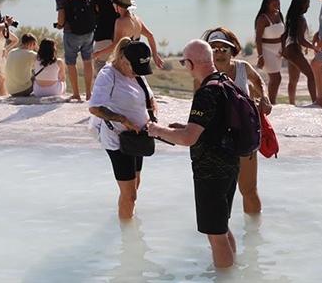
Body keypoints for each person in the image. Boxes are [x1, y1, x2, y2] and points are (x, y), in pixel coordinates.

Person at [146, 40, 240, 269]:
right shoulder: (226, 82)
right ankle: (234, 269)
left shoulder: (206, 92)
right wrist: (184, 127)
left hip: (210, 171)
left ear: (189, 63)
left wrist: (157, 130)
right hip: (230, 164)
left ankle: (225, 276)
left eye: (182, 62)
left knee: (215, 234)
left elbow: (189, 139)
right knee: (222, 226)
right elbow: (211, 127)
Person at [200, 27, 272, 215]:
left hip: (244, 137)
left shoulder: (242, 67)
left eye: (224, 49)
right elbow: (199, 105)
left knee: (248, 190)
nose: (219, 53)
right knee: (220, 193)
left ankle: (253, 236)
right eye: (214, 49)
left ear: (232, 50)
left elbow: (258, 81)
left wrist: (264, 97)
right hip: (218, 141)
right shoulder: (204, 74)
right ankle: (222, 235)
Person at [89, 38, 157, 220]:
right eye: (135, 69)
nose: (138, 73)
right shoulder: (108, 74)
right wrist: (123, 120)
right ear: (124, 60)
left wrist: (153, 119)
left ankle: (127, 216)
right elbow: (95, 107)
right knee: (130, 194)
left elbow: (149, 99)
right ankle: (127, 237)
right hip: (118, 139)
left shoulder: (137, 72)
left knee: (135, 185)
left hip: (138, 138)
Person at [91, 0, 164, 69]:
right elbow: (150, 35)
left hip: (124, 63)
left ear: (118, 5)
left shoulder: (120, 22)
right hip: (134, 62)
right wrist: (155, 54)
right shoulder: (136, 19)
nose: (112, 5)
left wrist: (99, 53)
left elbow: (116, 45)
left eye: (113, 2)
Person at [54, 0, 94, 101]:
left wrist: (60, 26)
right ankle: (89, 94)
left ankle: (76, 93)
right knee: (88, 61)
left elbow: (61, 15)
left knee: (71, 62)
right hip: (89, 30)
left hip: (71, 32)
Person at [90, 0, 127, 73]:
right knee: (121, 67)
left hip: (103, 32)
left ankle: (104, 90)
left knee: (100, 66)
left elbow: (93, 11)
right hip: (121, 33)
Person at [282, 0, 317, 106]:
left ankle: (291, 104)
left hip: (290, 50)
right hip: (295, 50)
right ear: (302, 4)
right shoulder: (300, 18)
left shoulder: (292, 17)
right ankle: (315, 102)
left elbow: (285, 36)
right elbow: (301, 40)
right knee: (311, 75)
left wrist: (284, 50)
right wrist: (313, 46)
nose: (309, 7)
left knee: (293, 80)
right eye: (307, 4)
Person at [254, 0, 285, 104]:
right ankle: (271, 102)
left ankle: (269, 101)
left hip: (278, 50)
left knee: (276, 78)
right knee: (276, 78)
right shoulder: (263, 18)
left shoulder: (279, 15)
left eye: (278, 4)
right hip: (267, 50)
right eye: (274, 4)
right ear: (267, 4)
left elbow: (283, 35)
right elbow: (258, 39)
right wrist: (260, 56)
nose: (277, 6)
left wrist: (284, 49)